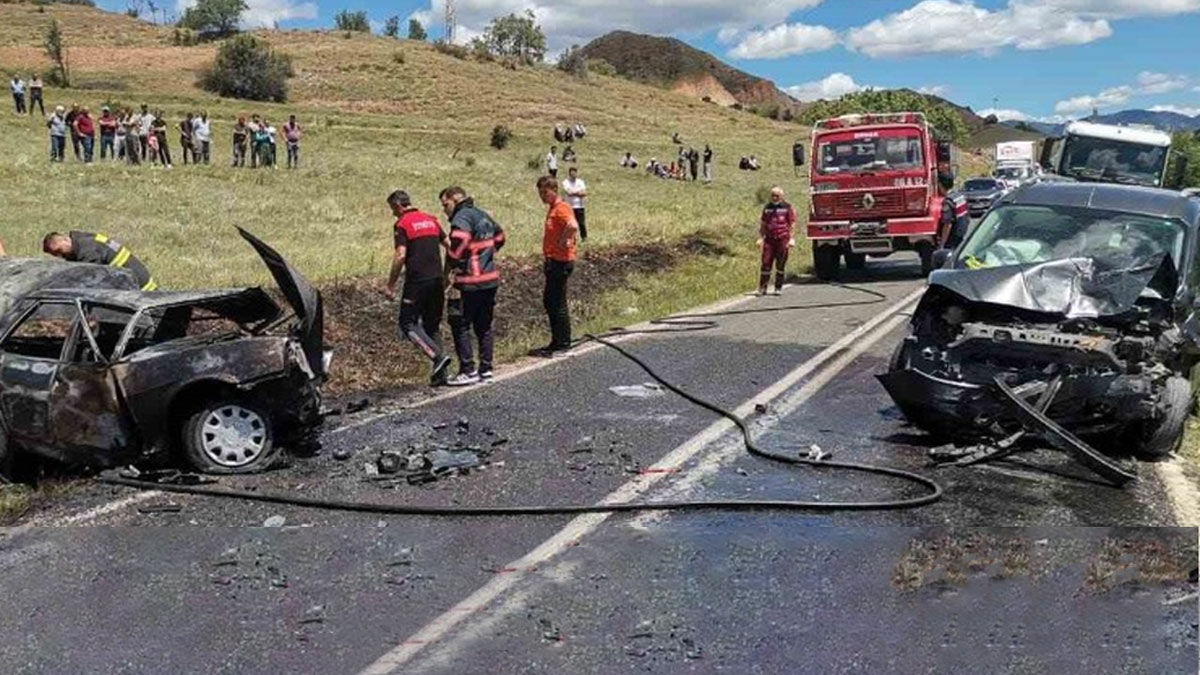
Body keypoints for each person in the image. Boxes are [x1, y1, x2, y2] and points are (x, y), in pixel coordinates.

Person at [383, 190, 453, 385]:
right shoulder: (430, 220)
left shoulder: (402, 224)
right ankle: (441, 376)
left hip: (417, 282)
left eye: (392, 210)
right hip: (437, 279)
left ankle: (437, 357)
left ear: (398, 206)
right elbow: (449, 245)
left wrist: (390, 285)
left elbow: (400, 255)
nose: (393, 214)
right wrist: (448, 272)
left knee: (407, 324)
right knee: (432, 326)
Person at [440, 186, 506, 386]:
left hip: (469, 281)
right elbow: (501, 237)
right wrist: (486, 254)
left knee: (460, 323)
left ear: (454, 199)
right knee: (484, 325)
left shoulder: (462, 218)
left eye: (445, 205)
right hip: (489, 278)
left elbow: (458, 247)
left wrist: (452, 266)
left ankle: (468, 369)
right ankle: (486, 369)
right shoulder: (481, 214)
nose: (444, 210)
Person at [532, 175, 579, 357]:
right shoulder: (553, 208)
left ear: (554, 190)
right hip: (553, 260)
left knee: (556, 301)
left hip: (561, 261)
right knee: (551, 300)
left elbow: (573, 225)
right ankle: (557, 340)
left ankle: (563, 342)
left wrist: (564, 239)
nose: (542, 196)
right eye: (540, 193)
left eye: (545, 192)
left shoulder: (561, 208)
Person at [42, 231, 158, 290]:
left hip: (136, 281)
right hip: (132, 274)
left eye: (59, 250)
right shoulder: (82, 239)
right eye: (55, 254)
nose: (60, 255)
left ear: (66, 240)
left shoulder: (87, 251)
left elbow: (91, 280)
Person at [758, 186, 796, 296]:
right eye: (773, 195)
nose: (774, 198)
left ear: (781, 196)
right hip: (769, 240)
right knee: (765, 263)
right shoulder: (767, 208)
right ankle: (762, 288)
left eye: (777, 196)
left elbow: (792, 224)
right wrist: (761, 238)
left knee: (780, 264)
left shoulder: (787, 207)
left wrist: (791, 239)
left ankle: (778, 287)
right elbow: (763, 224)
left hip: (783, 239)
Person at [563, 166, 588, 242]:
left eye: (575, 173)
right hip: (570, 206)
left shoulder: (580, 182)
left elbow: (584, 193)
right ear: (569, 174)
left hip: (580, 206)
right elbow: (568, 193)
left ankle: (584, 237)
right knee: (570, 224)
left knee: (581, 223)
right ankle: (572, 238)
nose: (574, 174)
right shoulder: (565, 182)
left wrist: (574, 193)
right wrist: (578, 193)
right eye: (572, 173)